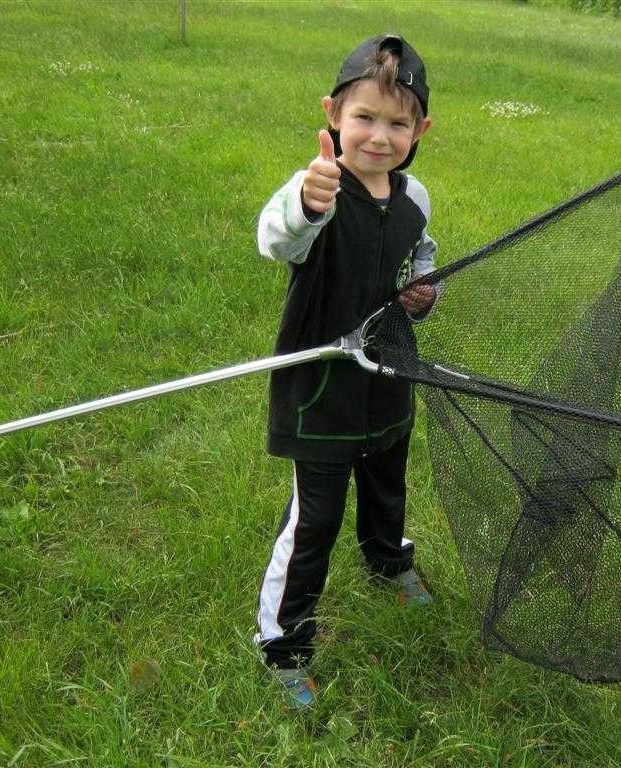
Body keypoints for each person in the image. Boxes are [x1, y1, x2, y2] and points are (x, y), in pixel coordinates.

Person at [253, 34, 439, 710]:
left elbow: (420, 257)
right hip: (322, 394)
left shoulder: (415, 194)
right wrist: (309, 199)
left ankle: (388, 555)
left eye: (397, 123)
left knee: (388, 482)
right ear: (334, 113)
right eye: (364, 118)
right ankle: (283, 642)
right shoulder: (319, 187)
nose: (380, 138)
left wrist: (424, 292)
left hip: (389, 378)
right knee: (315, 520)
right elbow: (276, 238)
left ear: (421, 128)